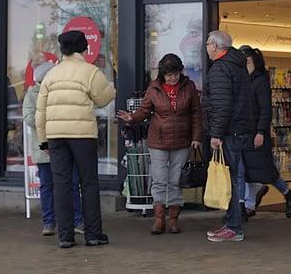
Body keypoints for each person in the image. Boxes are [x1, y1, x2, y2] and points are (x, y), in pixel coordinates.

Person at [36, 30, 117, 249]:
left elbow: (40, 112)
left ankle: (65, 236)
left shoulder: (51, 75)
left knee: (61, 184)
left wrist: (43, 140)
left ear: (62, 50)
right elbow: (105, 98)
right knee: (88, 183)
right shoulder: (90, 72)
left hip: (56, 136)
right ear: (84, 48)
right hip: (82, 135)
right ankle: (92, 234)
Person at [117, 53, 202, 235]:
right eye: (169, 75)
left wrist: (196, 136)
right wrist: (131, 118)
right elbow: (144, 111)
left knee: (174, 179)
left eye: (176, 74)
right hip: (158, 140)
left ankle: (173, 219)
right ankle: (158, 219)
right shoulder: (154, 88)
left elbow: (196, 113)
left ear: (181, 72)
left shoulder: (189, 87)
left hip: (182, 139)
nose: (172, 78)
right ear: (162, 74)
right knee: (159, 179)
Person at [201, 30, 255, 242]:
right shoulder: (237, 66)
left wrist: (215, 133)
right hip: (239, 128)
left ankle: (233, 227)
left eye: (207, 44)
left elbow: (221, 105)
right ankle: (231, 222)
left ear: (215, 46)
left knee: (230, 179)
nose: (206, 48)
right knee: (234, 177)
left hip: (229, 131)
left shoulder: (220, 69)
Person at [23, 60, 84, 236]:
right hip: (45, 148)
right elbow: (28, 117)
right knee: (48, 186)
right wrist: (50, 118)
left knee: (72, 183)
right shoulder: (32, 95)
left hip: (66, 146)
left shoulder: (63, 92)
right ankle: (49, 222)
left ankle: (77, 220)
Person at [238, 46, 291, 219]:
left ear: (253, 62)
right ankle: (246, 206)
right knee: (248, 171)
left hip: (257, 135)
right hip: (245, 133)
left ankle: (288, 193)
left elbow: (265, 110)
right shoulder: (244, 81)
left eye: (247, 61)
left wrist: (260, 131)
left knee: (265, 170)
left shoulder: (260, 81)